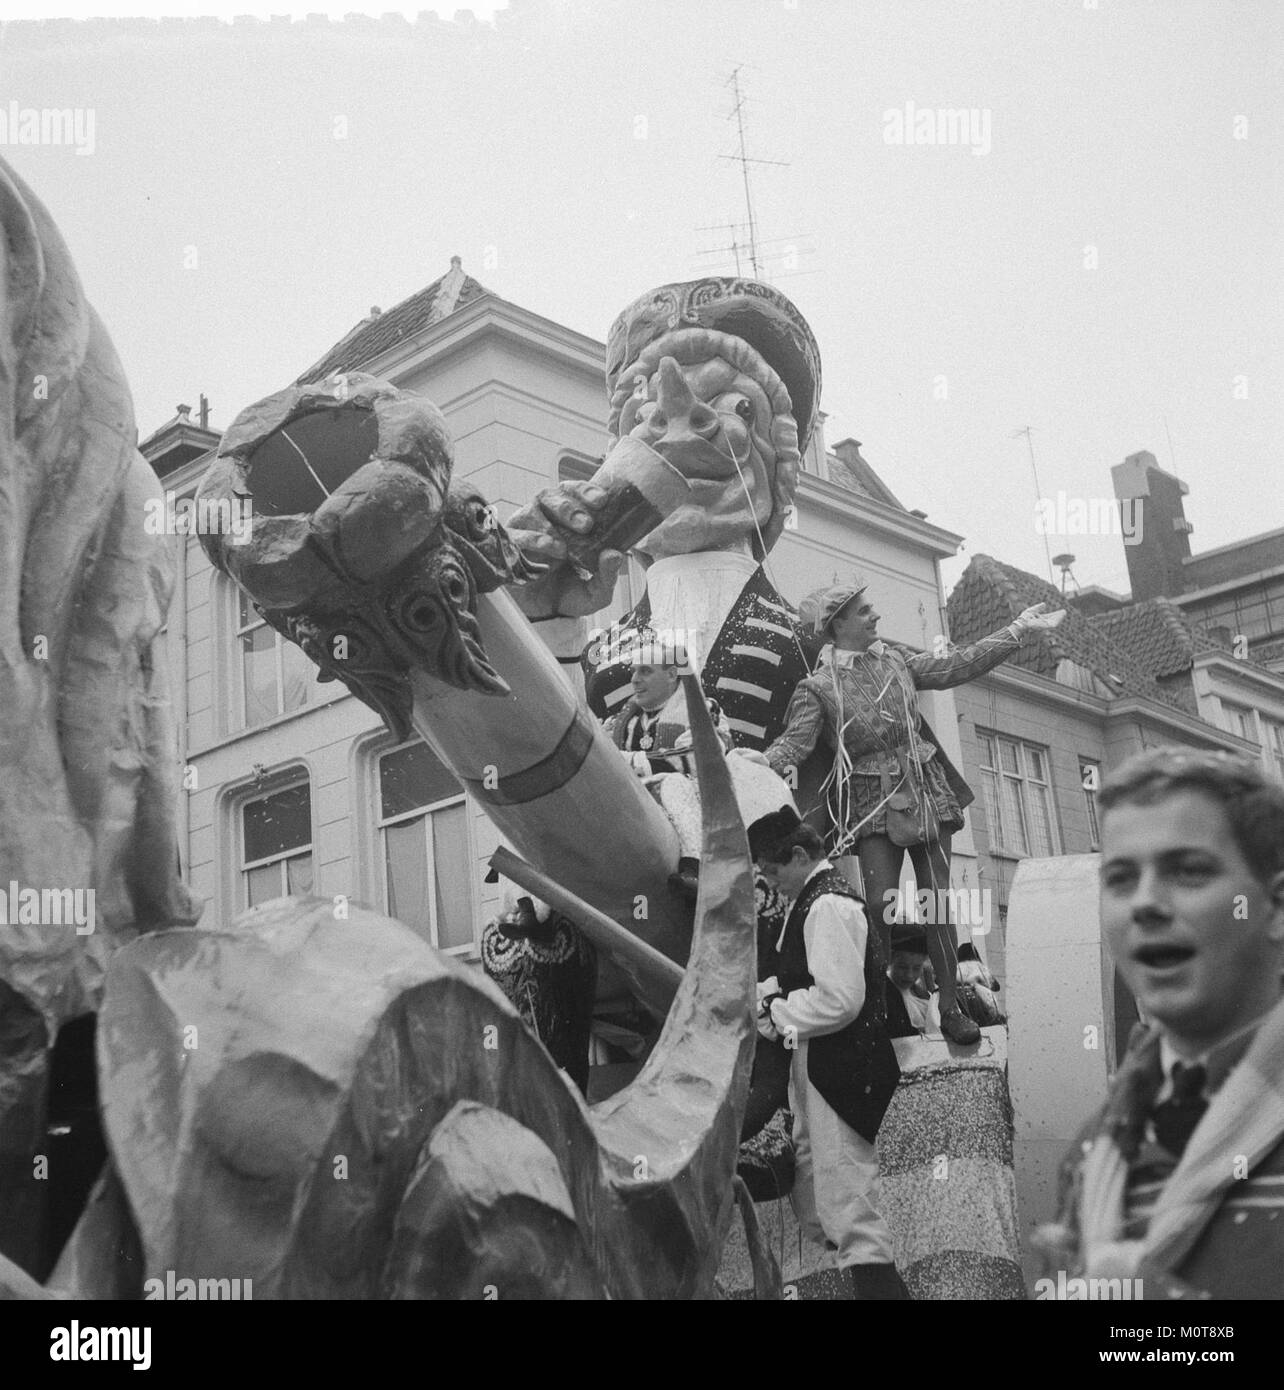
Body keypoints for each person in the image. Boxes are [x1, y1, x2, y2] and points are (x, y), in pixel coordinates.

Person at [764, 580, 1065, 1045]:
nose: (875, 616)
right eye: (863, 611)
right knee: (880, 908)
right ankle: (878, 1011)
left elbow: (955, 665)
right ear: (836, 625)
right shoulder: (818, 687)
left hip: (925, 786)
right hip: (872, 800)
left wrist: (1017, 630)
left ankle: (949, 1007)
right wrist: (745, 763)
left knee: (938, 903)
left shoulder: (898, 661)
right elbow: (795, 745)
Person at [1039, 749, 1284, 1299]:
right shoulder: (1092, 1153)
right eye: (1121, 879)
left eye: (1189, 872)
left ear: (1277, 907)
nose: (1145, 903)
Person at [748, 805, 909, 1300]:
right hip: (819, 1069)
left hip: (840, 1073)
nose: (772, 886)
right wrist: (770, 995)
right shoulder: (811, 903)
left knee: (847, 1206)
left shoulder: (827, 905)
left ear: (798, 856)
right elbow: (805, 978)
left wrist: (776, 1013)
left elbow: (839, 999)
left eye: (773, 873)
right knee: (819, 1203)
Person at [884, 926, 935, 1038]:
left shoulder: (922, 996)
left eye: (916, 968)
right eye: (902, 967)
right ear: (890, 961)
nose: (909, 975)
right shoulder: (885, 995)